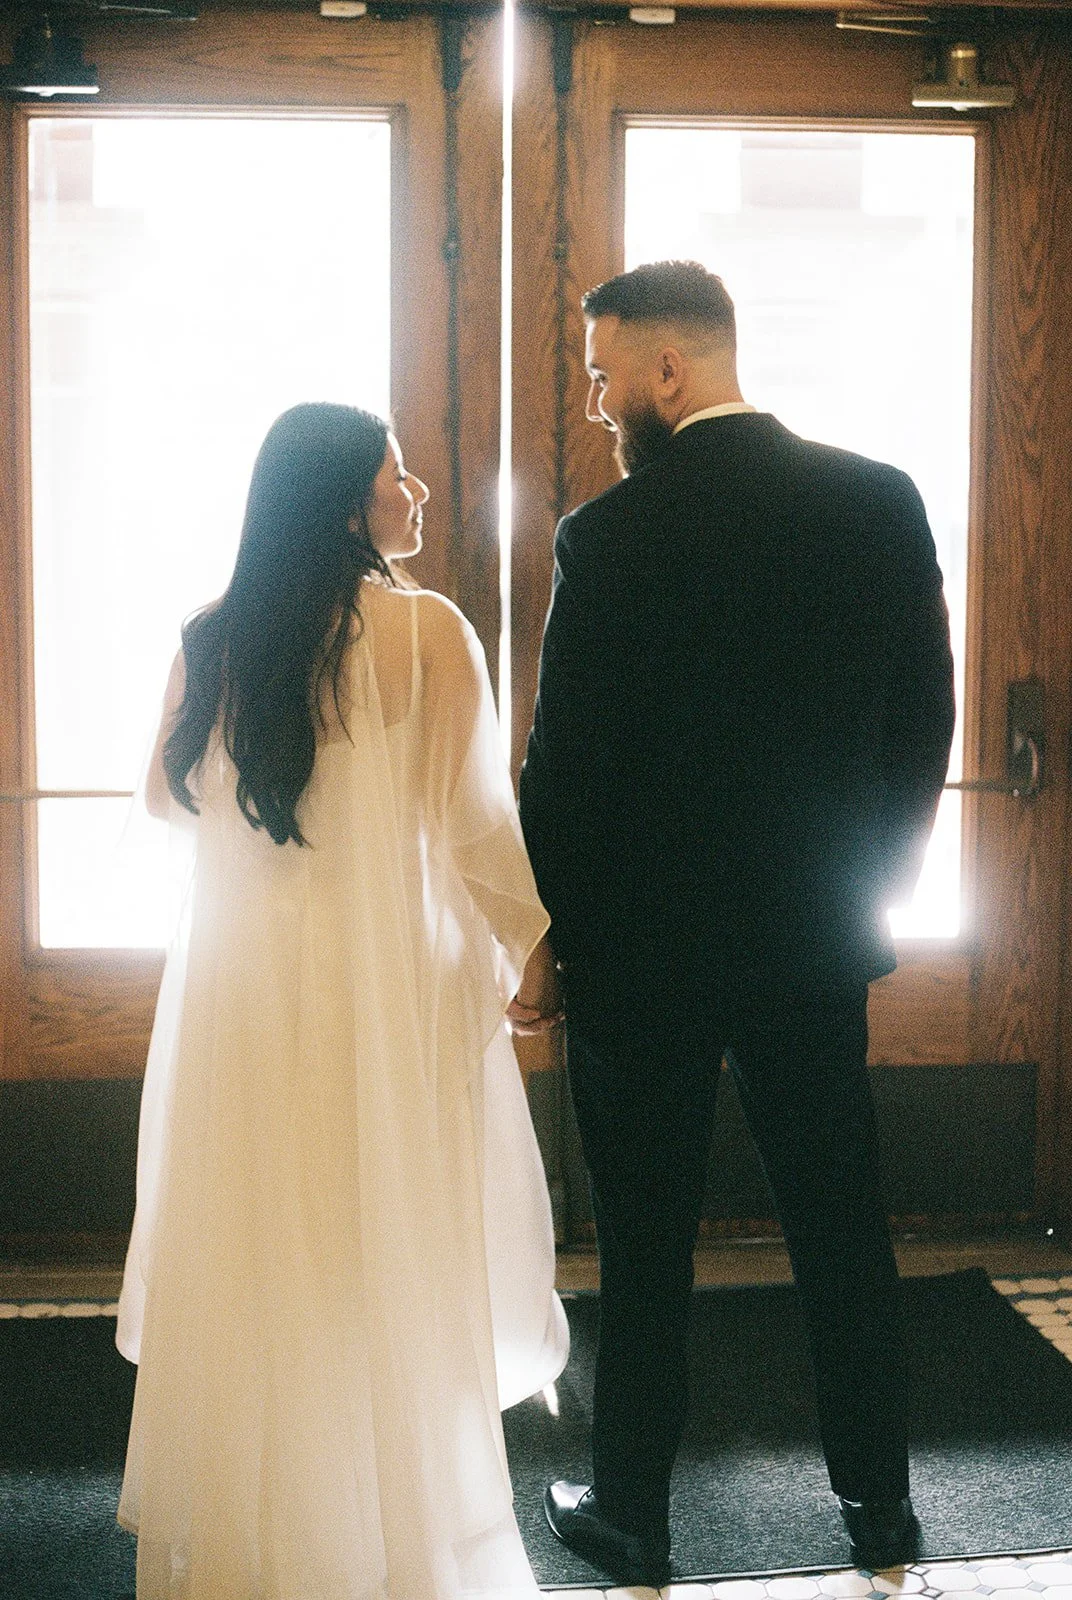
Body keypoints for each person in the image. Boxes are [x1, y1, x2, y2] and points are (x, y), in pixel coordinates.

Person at [517, 261, 956, 1584]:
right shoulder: (878, 502)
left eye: (603, 374)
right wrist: (867, 881)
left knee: (644, 1242)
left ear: (669, 369)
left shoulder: (608, 537)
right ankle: (879, 1507)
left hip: (641, 956)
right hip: (811, 939)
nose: (597, 403)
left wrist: (556, 936)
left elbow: (564, 768)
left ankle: (633, 1515)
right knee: (840, 1225)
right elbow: (922, 723)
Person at [116, 402, 568, 1600]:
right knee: (387, 1241)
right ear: (341, 502)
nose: (414, 492)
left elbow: (165, 799)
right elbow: (475, 829)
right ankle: (395, 1543)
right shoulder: (426, 632)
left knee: (268, 1247)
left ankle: (269, 1542)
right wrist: (529, 955)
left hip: (248, 994)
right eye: (393, 474)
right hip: (383, 994)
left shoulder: (216, 635)